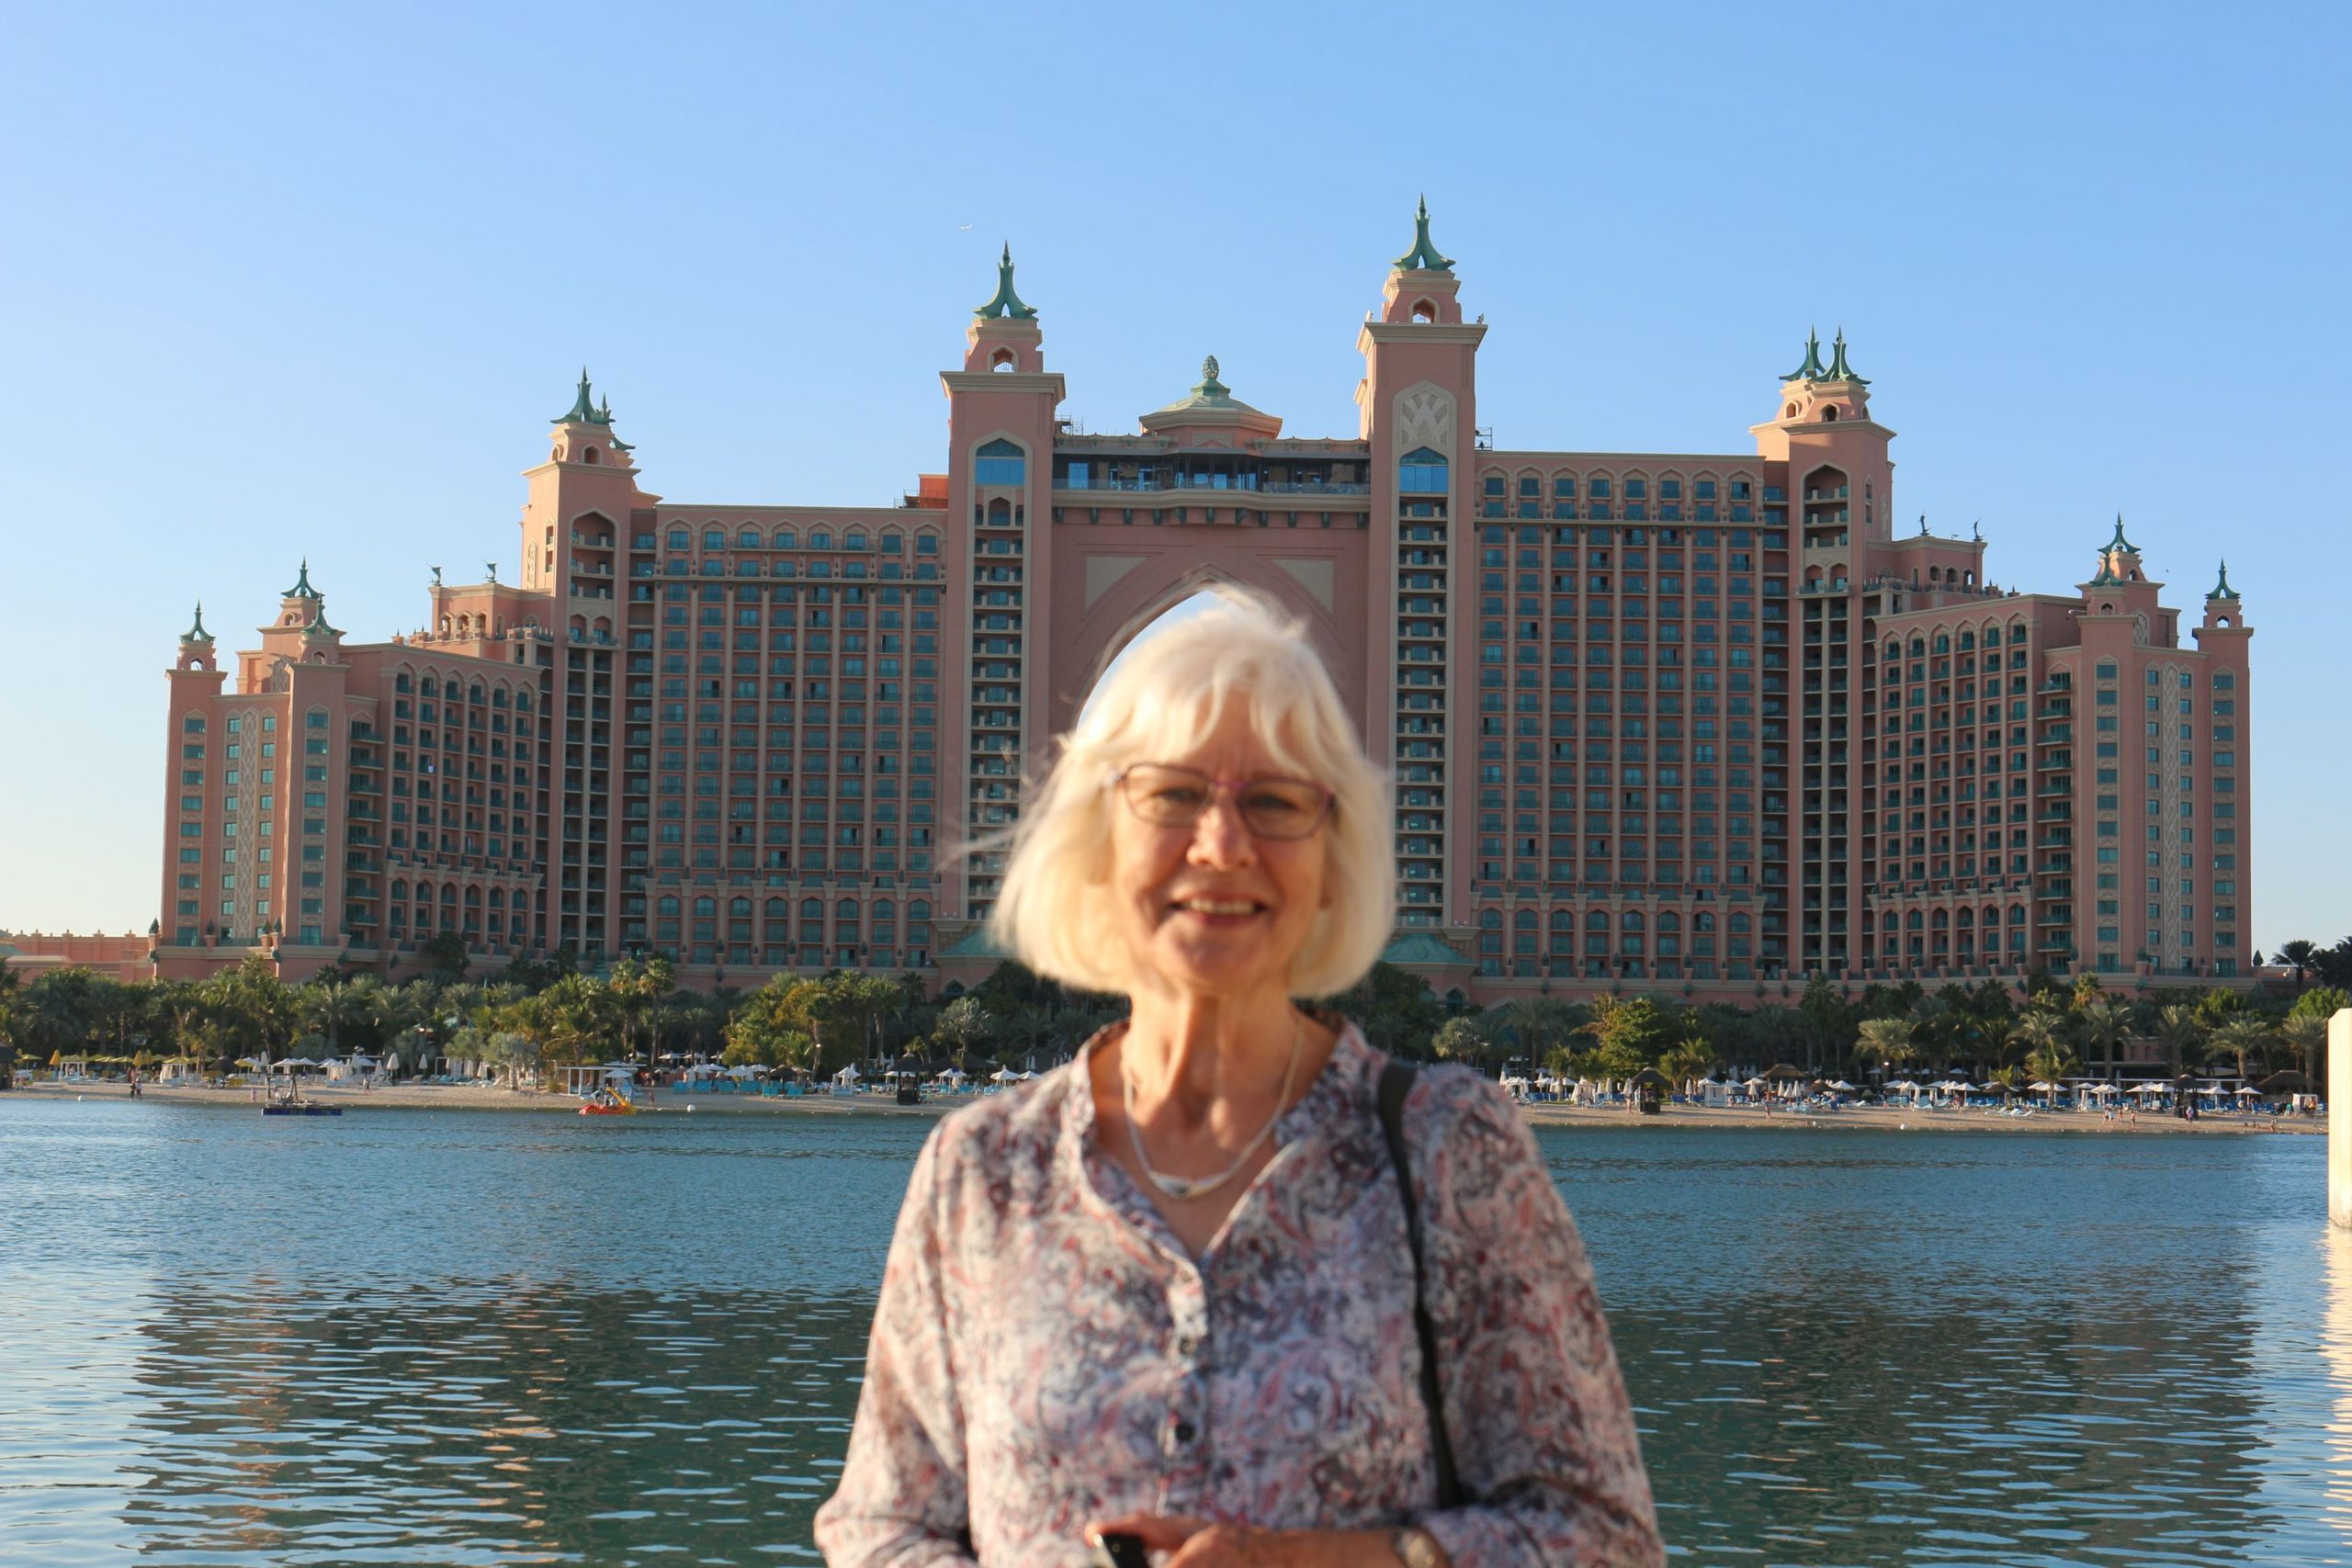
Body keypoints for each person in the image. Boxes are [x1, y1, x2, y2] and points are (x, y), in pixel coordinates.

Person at [816, 592, 1661, 1567]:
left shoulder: (1449, 1150)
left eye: (1275, 801)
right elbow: (880, 1526)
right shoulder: (981, 1171)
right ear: (1096, 838)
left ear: (1332, 859)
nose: (1221, 846)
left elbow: (1604, 1540)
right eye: (1173, 795)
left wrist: (1310, 1562)